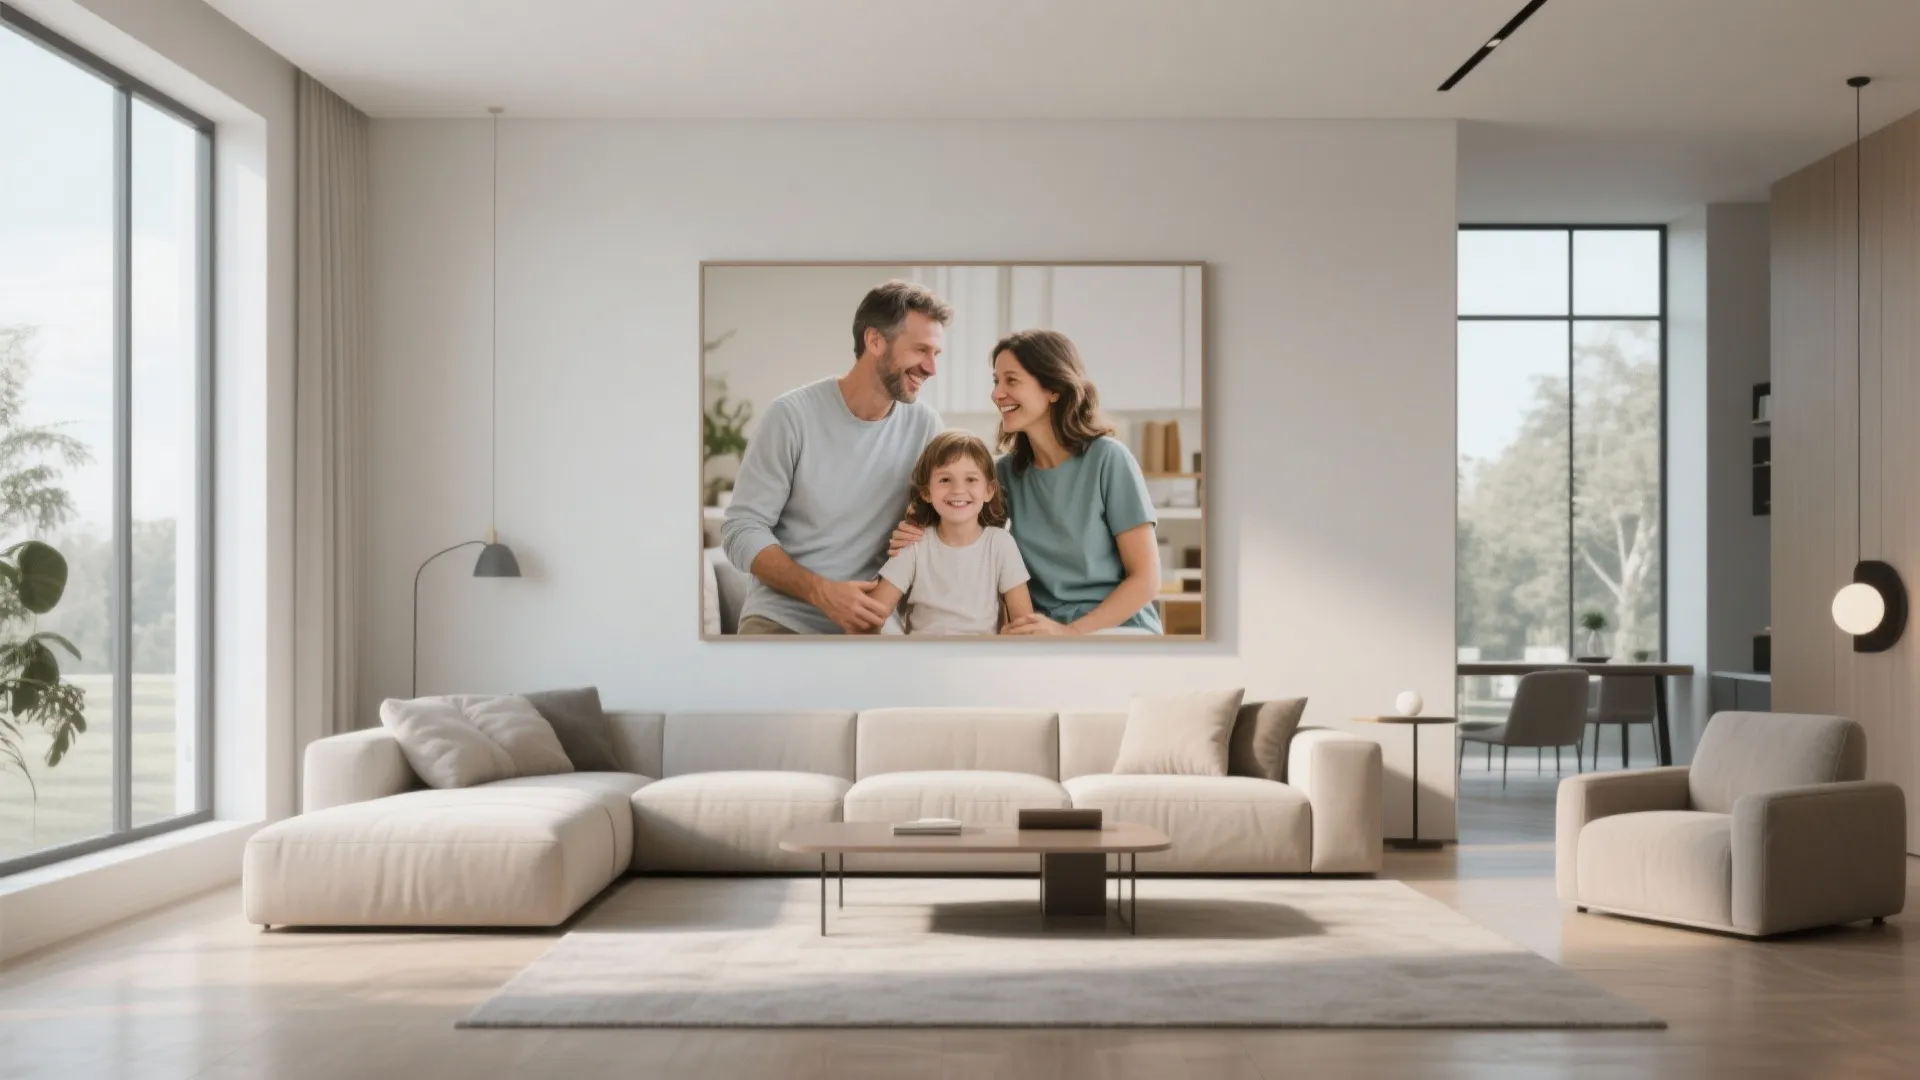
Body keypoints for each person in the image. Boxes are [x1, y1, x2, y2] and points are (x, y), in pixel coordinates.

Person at [891, 329, 1163, 634]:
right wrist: (913, 531)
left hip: (1116, 628)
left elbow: (1146, 579)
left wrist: (1072, 633)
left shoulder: (1107, 459)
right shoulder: (1005, 474)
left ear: (1053, 389)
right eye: (996, 381)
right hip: (1041, 630)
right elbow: (954, 514)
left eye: (1011, 380)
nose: (996, 393)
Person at [721, 280, 949, 634]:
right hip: (782, 620)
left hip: (872, 620)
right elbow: (740, 530)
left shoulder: (926, 426)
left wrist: (924, 530)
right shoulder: (791, 416)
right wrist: (822, 593)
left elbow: (945, 519)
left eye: (937, 355)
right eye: (921, 350)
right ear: (874, 341)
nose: (932, 368)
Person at [868, 430, 1034, 636]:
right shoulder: (914, 544)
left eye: (971, 479)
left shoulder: (1000, 544)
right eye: (945, 479)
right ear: (927, 492)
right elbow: (873, 614)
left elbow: (1024, 622)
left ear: (989, 490)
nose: (957, 490)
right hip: (922, 659)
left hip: (981, 659)